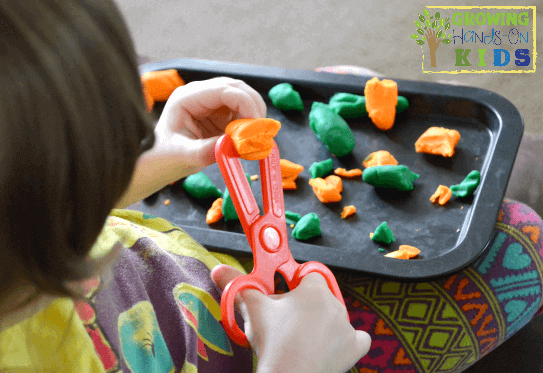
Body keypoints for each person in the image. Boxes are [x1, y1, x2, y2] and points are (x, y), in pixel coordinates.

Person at [0, 1, 370, 372]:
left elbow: (55, 208)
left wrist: (156, 158)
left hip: (219, 292)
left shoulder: (25, 229)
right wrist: (294, 365)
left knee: (347, 75)